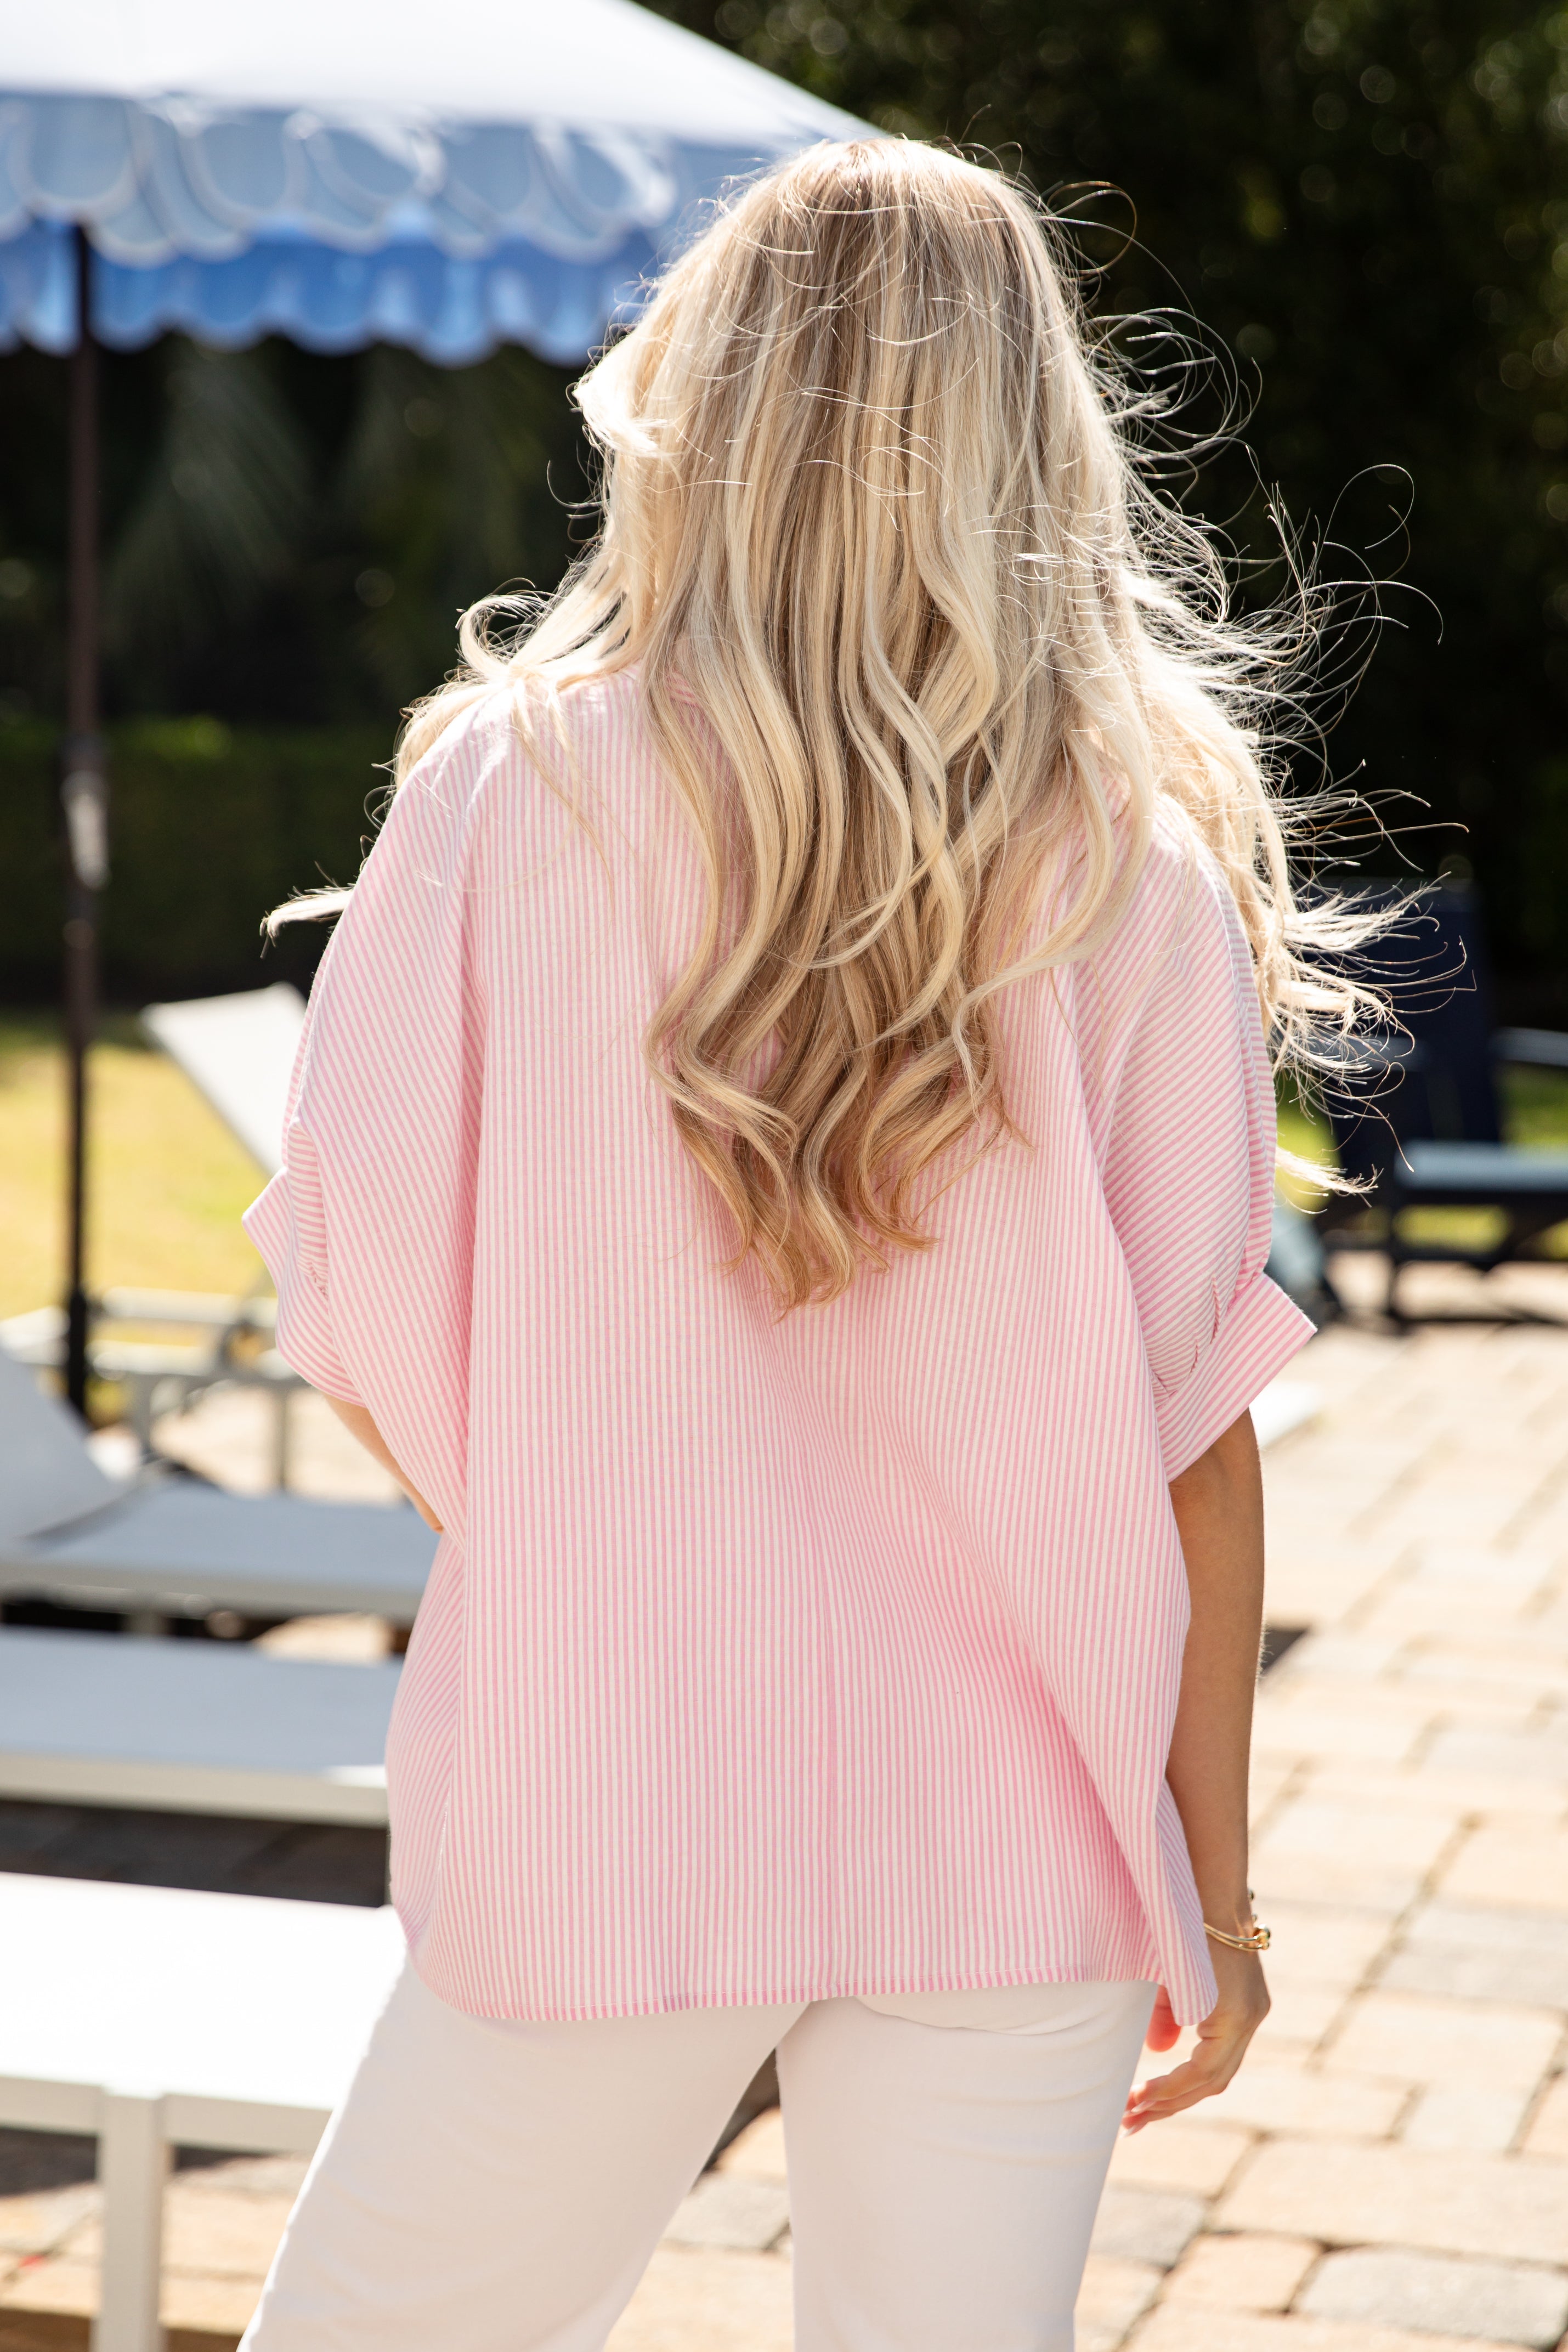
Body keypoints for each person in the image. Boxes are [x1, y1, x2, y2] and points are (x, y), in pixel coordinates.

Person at [240, 138, 1351, 2351]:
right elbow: (1193, 1438)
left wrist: (585, 1535)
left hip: (602, 1800)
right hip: (1015, 1826)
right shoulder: (1127, 856)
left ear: (701, 394)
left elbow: (349, 1301)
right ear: (1028, 431)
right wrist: (1210, 1892)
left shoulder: (504, 795)